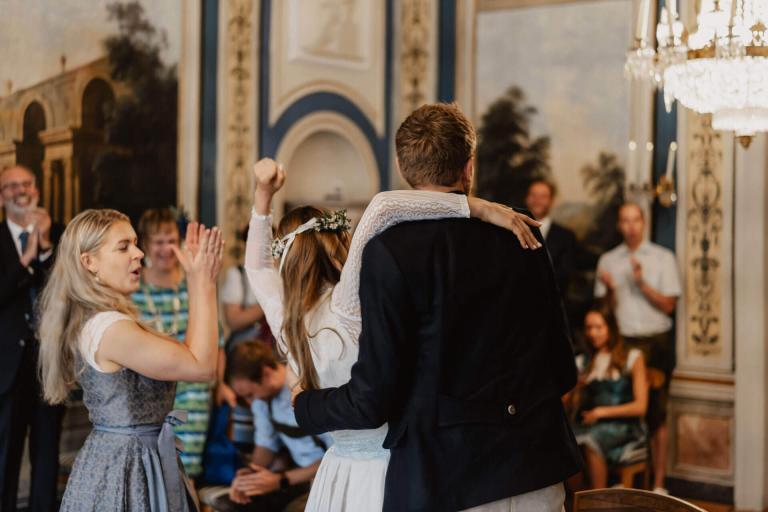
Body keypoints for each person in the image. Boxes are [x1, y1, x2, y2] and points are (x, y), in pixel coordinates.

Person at [292, 102, 582, 511]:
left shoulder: (389, 251)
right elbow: (561, 368)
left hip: (448, 481)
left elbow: (374, 398)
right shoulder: (522, 233)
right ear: (469, 167)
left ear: (401, 165)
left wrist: (305, 405)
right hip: (536, 470)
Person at [246, 151, 544, 511]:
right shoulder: (347, 301)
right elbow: (384, 207)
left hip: (338, 472)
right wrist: (478, 208)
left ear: (287, 261)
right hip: (394, 466)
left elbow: (257, 268)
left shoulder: (287, 324)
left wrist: (263, 195)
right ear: (337, 244)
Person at [37, 209, 224, 511]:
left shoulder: (103, 320)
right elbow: (200, 366)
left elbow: (192, 357)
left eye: (136, 243)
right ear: (89, 262)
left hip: (137, 457)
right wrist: (203, 281)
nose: (138, 254)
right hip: (128, 466)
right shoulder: (110, 328)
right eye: (123, 247)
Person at [132, 208, 236, 482]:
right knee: (151, 470)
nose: (166, 248)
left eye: (170, 240)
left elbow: (218, 339)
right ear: (144, 244)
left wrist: (220, 383)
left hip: (194, 391)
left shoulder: (193, 286)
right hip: (148, 391)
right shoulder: (134, 289)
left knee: (185, 470)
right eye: (158, 242)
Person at [594, 202, 681, 493]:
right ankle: (622, 479)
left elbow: (669, 306)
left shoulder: (662, 258)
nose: (630, 226)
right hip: (623, 342)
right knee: (623, 408)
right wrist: (609, 291)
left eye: (635, 220)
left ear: (643, 223)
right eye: (624, 220)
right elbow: (604, 312)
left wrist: (642, 283)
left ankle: (658, 485)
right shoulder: (608, 260)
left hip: (655, 342)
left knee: (657, 413)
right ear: (619, 225)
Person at [0, 165, 64, 512]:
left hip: (49, 365)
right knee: (4, 461)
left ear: (36, 189)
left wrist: (44, 249)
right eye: (11, 186)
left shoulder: (60, 234)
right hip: (6, 370)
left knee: (46, 459)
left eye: (25, 184)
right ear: (1, 197)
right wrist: (25, 260)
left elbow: (69, 290)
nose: (20, 191)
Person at [207, 341, 330, 512]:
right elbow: (266, 446)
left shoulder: (304, 387)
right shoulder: (263, 401)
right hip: (298, 476)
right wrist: (249, 477)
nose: (251, 402)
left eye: (250, 395)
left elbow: (335, 455)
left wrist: (281, 479)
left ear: (266, 373)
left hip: (328, 474)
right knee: (233, 505)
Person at [571, 306, 648, 489]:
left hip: (625, 426)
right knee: (568, 441)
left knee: (591, 440)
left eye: (599, 327)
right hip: (592, 423)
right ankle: (577, 500)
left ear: (611, 328)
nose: (593, 333)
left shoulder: (632, 357)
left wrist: (601, 412)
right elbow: (574, 408)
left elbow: (640, 407)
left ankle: (598, 502)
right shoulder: (584, 361)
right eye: (589, 328)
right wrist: (576, 389)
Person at [525, 178, 576, 294]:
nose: (537, 200)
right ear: (527, 199)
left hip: (551, 303)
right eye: (533, 195)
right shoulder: (512, 231)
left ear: (551, 201)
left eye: (543, 197)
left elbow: (564, 276)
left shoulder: (566, 237)